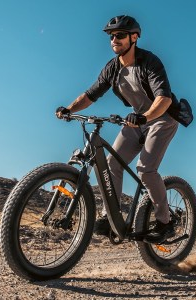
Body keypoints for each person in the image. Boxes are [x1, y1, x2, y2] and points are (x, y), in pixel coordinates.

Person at [56, 15, 183, 244]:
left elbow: (163, 98)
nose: (114, 39)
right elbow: (90, 94)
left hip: (161, 118)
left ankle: (166, 222)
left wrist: (145, 116)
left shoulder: (149, 62)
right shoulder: (113, 68)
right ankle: (110, 217)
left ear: (134, 38)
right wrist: (68, 109)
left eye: (120, 35)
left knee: (145, 169)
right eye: (111, 36)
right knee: (111, 162)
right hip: (135, 121)